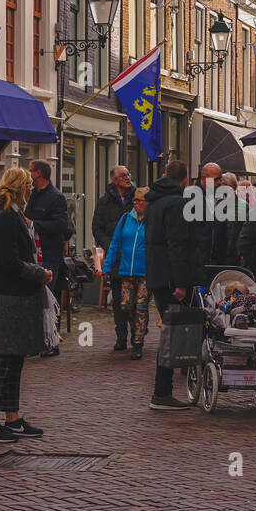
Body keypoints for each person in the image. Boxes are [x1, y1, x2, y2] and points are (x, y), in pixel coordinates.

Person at [0, 167, 52, 442]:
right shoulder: (6, 219)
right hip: (9, 299)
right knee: (1, 361)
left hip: (14, 297)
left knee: (13, 360)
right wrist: (39, 273)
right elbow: (10, 262)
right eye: (28, 187)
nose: (30, 192)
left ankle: (11, 418)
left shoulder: (6, 216)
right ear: (20, 188)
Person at [144, 160, 205, 410]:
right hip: (171, 278)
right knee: (171, 333)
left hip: (157, 275)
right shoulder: (177, 203)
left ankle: (163, 390)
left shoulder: (154, 202)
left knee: (168, 331)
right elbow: (177, 244)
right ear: (185, 180)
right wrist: (180, 282)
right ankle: (161, 392)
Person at [26, 159, 69, 357]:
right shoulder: (33, 195)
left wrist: (34, 223)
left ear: (40, 173)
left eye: (31, 170)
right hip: (33, 254)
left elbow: (61, 225)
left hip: (49, 255)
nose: (29, 174)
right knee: (35, 300)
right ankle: (40, 341)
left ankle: (52, 344)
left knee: (47, 299)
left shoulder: (56, 197)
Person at [104, 187, 150, 359]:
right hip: (126, 271)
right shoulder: (125, 219)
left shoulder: (152, 222)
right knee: (126, 306)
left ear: (148, 203)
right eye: (135, 200)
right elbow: (115, 244)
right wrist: (107, 266)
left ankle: (137, 343)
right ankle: (140, 328)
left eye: (140, 201)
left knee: (140, 306)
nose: (136, 203)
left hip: (145, 272)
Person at [92, 165, 135, 350]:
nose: (127, 177)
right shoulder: (104, 203)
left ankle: (137, 336)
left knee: (135, 299)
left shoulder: (138, 198)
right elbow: (97, 228)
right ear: (114, 180)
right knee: (118, 299)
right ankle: (121, 337)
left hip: (134, 256)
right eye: (123, 175)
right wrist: (111, 245)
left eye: (128, 174)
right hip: (116, 258)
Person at [196, 162, 227, 266]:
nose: (219, 182)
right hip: (198, 263)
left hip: (217, 262)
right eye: (215, 179)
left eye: (220, 179)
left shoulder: (222, 199)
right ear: (204, 179)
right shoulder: (190, 199)